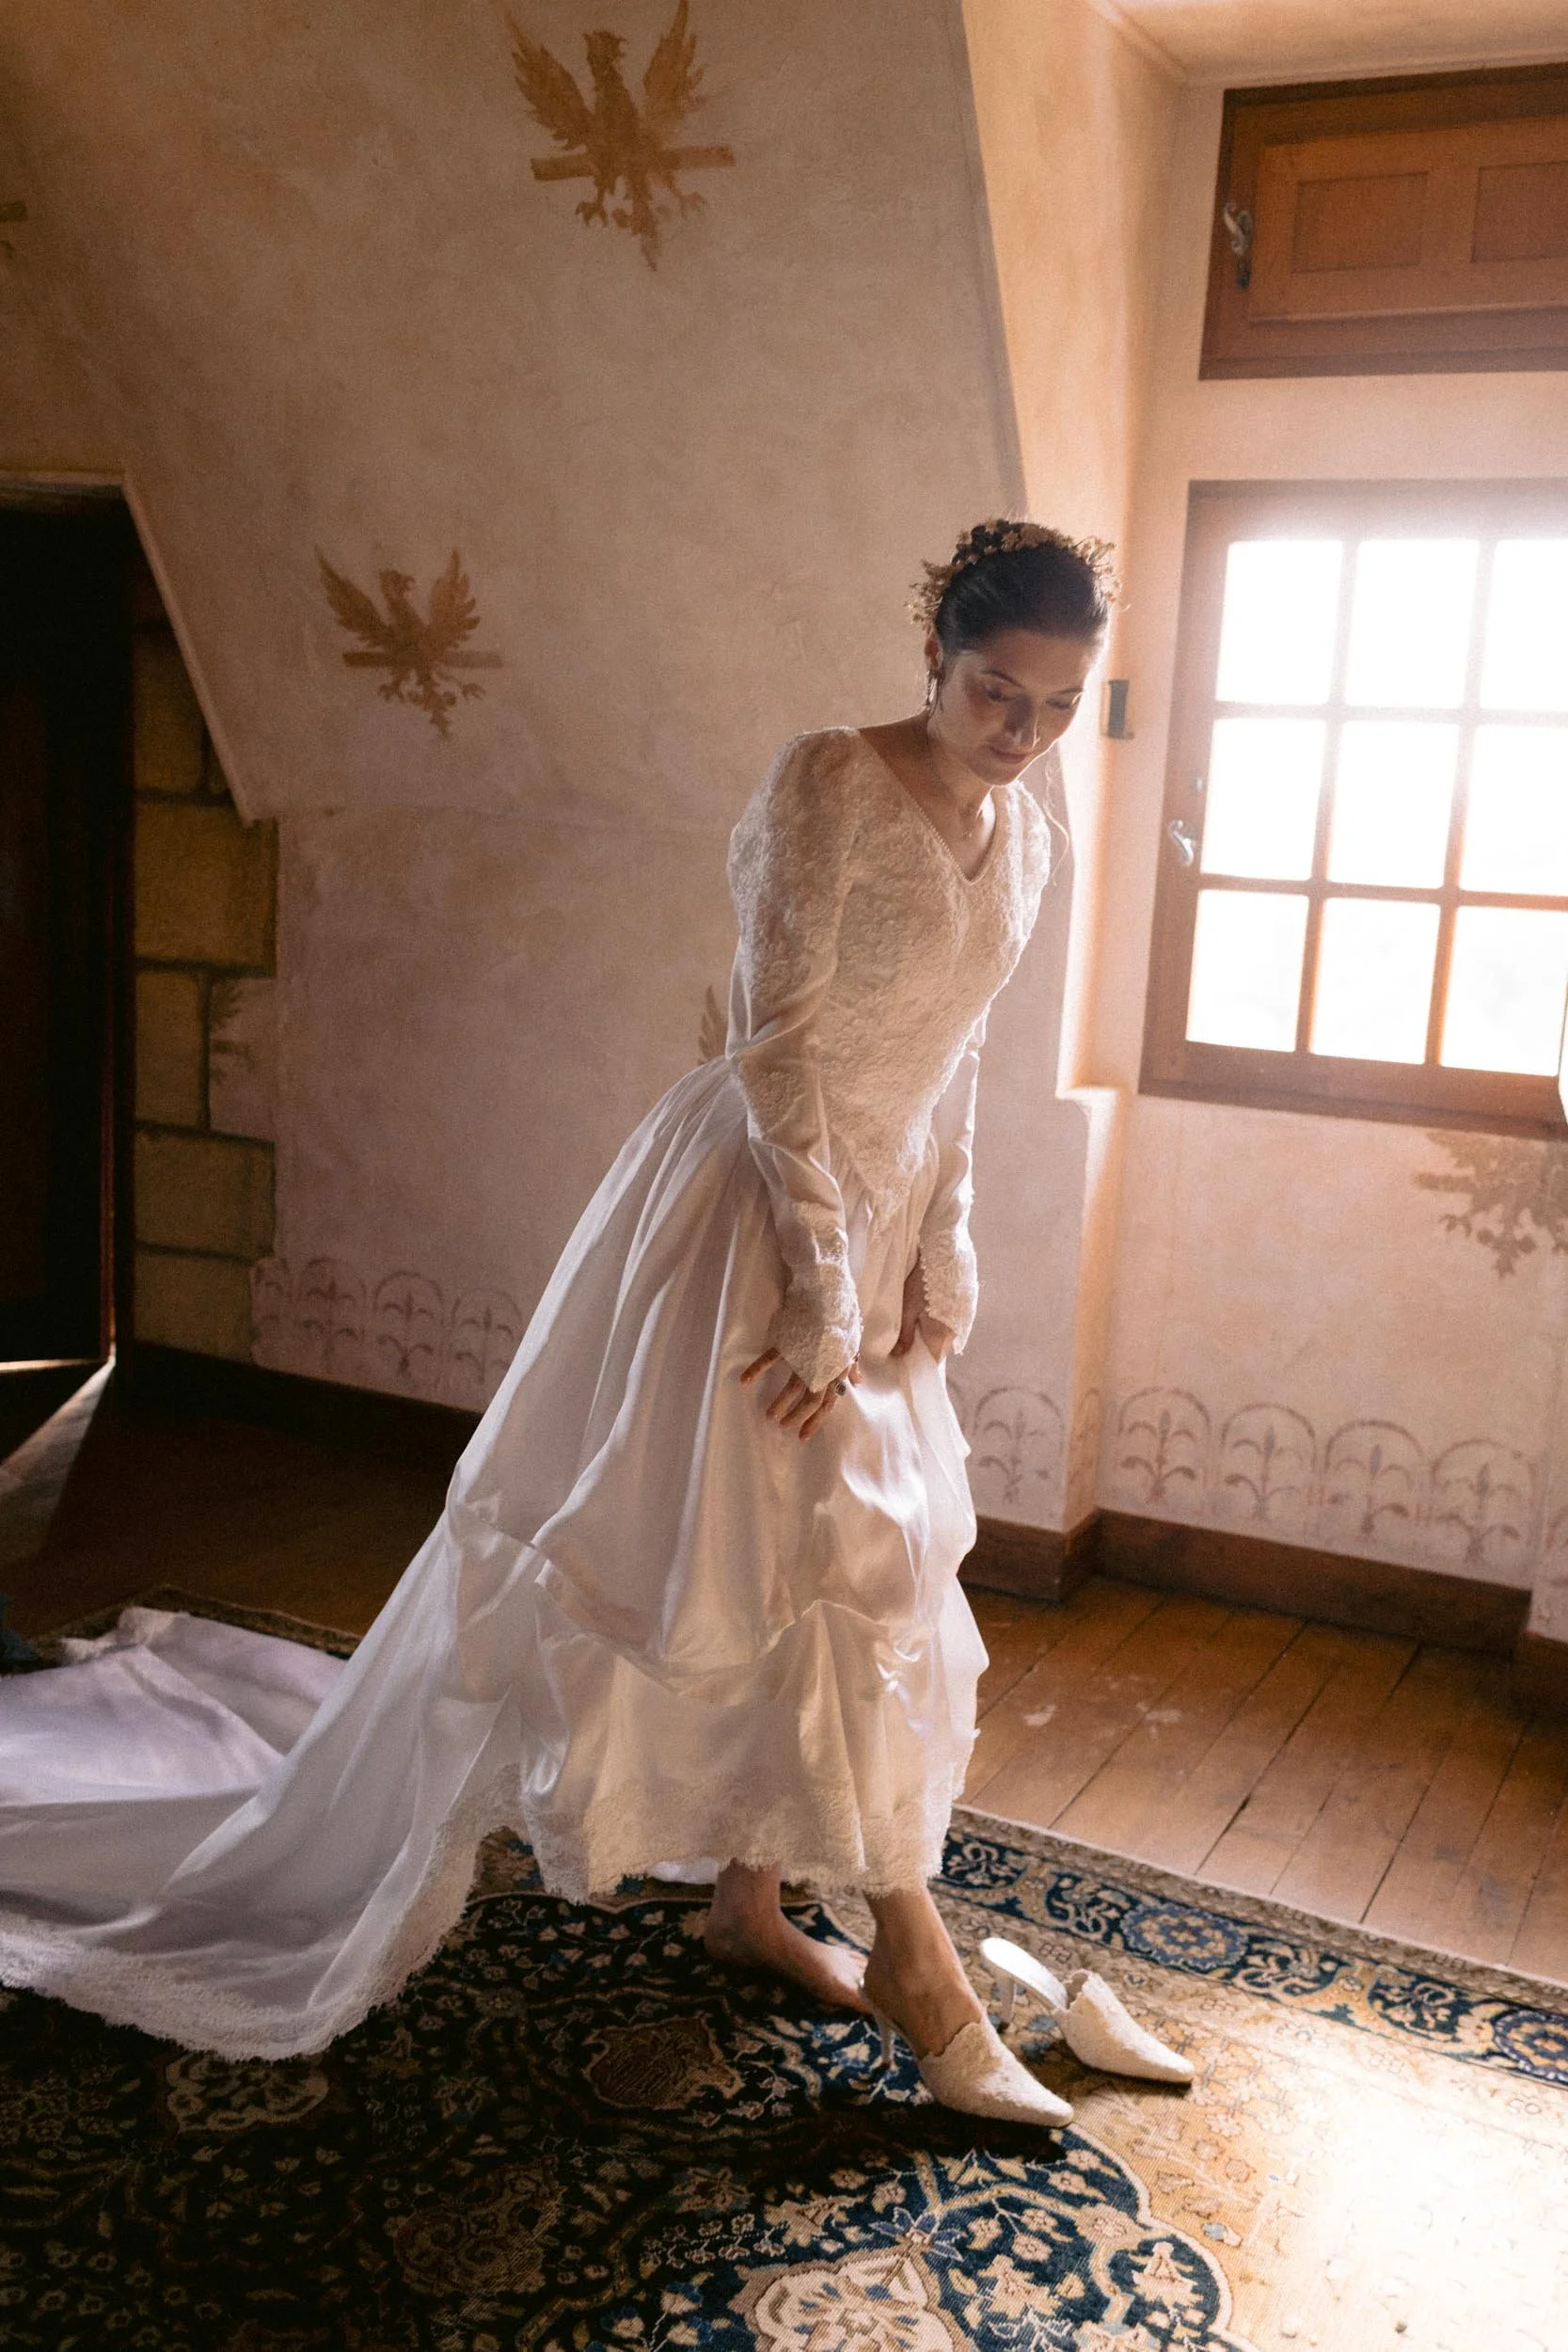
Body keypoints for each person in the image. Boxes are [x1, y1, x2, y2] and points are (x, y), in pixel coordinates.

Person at [0, 518, 1112, 2123]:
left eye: (1057, 708)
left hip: (880, 1223)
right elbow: (779, 1048)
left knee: (831, 1576)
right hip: (757, 1215)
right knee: (798, 1551)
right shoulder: (826, 783)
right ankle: (924, 1986)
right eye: (995, 691)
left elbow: (960, 1056)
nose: (1020, 735)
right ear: (931, 651)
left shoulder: (1026, 834)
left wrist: (942, 1249)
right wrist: (818, 1281)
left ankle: (749, 1904)